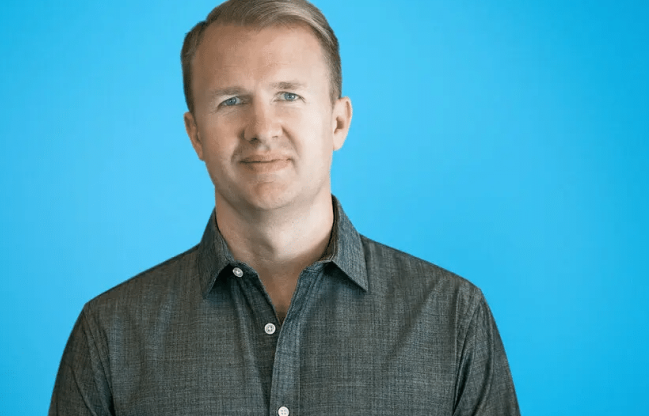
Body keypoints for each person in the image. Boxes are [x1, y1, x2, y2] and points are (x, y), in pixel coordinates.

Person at [49, 0, 521, 414]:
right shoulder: (110, 335)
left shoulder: (453, 318)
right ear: (195, 135)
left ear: (338, 122)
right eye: (232, 100)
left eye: (288, 96)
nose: (262, 128)